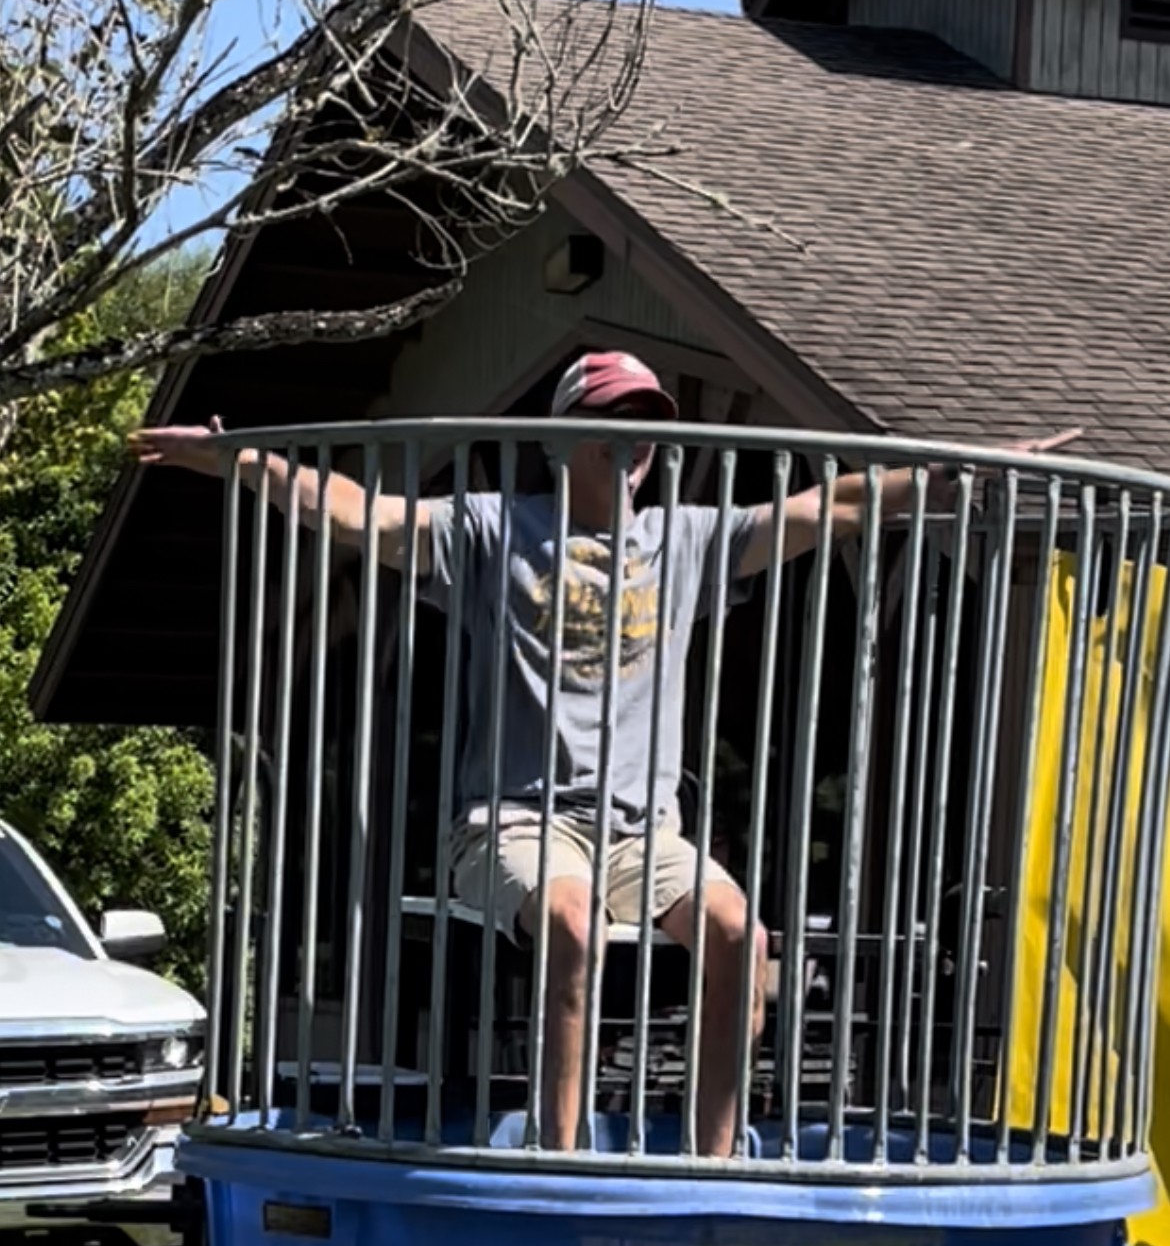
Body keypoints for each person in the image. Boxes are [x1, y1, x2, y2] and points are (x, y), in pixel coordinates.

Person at [130, 354, 1076, 1157]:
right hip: (512, 819)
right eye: (612, 422)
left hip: (639, 834)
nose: (632, 444)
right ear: (564, 437)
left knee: (739, 933)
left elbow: (828, 505)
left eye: (647, 427)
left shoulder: (684, 539)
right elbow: (360, 514)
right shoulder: (495, 526)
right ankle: (561, 1155)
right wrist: (239, 460)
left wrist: (949, 480)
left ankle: (712, 1162)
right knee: (572, 921)